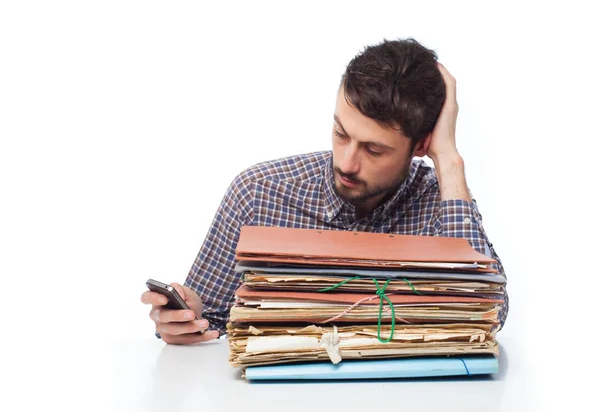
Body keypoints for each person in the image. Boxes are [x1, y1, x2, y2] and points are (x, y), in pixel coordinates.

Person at [141, 37, 508, 345]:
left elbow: (490, 315)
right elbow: (213, 321)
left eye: (374, 149)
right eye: (341, 134)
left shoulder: (440, 205)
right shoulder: (258, 193)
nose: (347, 163)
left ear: (420, 145)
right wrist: (188, 321)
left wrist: (449, 162)